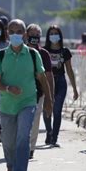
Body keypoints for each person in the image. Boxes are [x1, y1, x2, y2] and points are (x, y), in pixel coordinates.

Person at [0, 19, 50, 171]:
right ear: (7, 34)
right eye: (11, 31)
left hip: (28, 101)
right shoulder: (1, 55)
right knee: (9, 140)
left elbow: (42, 77)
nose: (15, 35)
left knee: (23, 136)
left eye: (18, 31)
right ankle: (10, 165)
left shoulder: (33, 54)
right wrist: (8, 88)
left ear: (24, 34)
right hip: (7, 105)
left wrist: (49, 101)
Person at [43, 25, 79, 147]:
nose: (54, 35)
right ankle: (49, 132)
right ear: (48, 36)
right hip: (47, 82)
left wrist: (74, 88)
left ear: (60, 35)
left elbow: (69, 70)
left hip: (61, 82)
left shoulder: (65, 51)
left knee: (57, 111)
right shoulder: (44, 51)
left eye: (56, 33)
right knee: (47, 109)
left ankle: (54, 138)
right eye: (51, 33)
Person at [26, 24, 54, 159]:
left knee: (35, 120)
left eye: (37, 35)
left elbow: (49, 76)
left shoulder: (43, 54)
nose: (34, 37)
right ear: (26, 35)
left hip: (38, 93)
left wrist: (50, 98)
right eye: (32, 34)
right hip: (19, 93)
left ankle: (30, 148)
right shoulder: (20, 51)